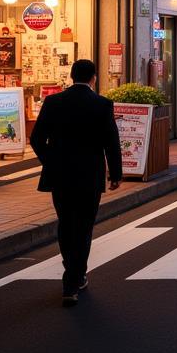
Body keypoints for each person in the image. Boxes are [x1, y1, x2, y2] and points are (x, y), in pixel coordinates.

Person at [30, 60, 122, 307]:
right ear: (93, 77)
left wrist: (50, 160)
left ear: (71, 76)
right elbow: (110, 142)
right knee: (84, 226)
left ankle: (71, 271)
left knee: (66, 223)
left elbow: (36, 138)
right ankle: (74, 277)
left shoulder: (53, 102)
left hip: (60, 175)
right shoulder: (102, 104)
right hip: (89, 176)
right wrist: (115, 173)